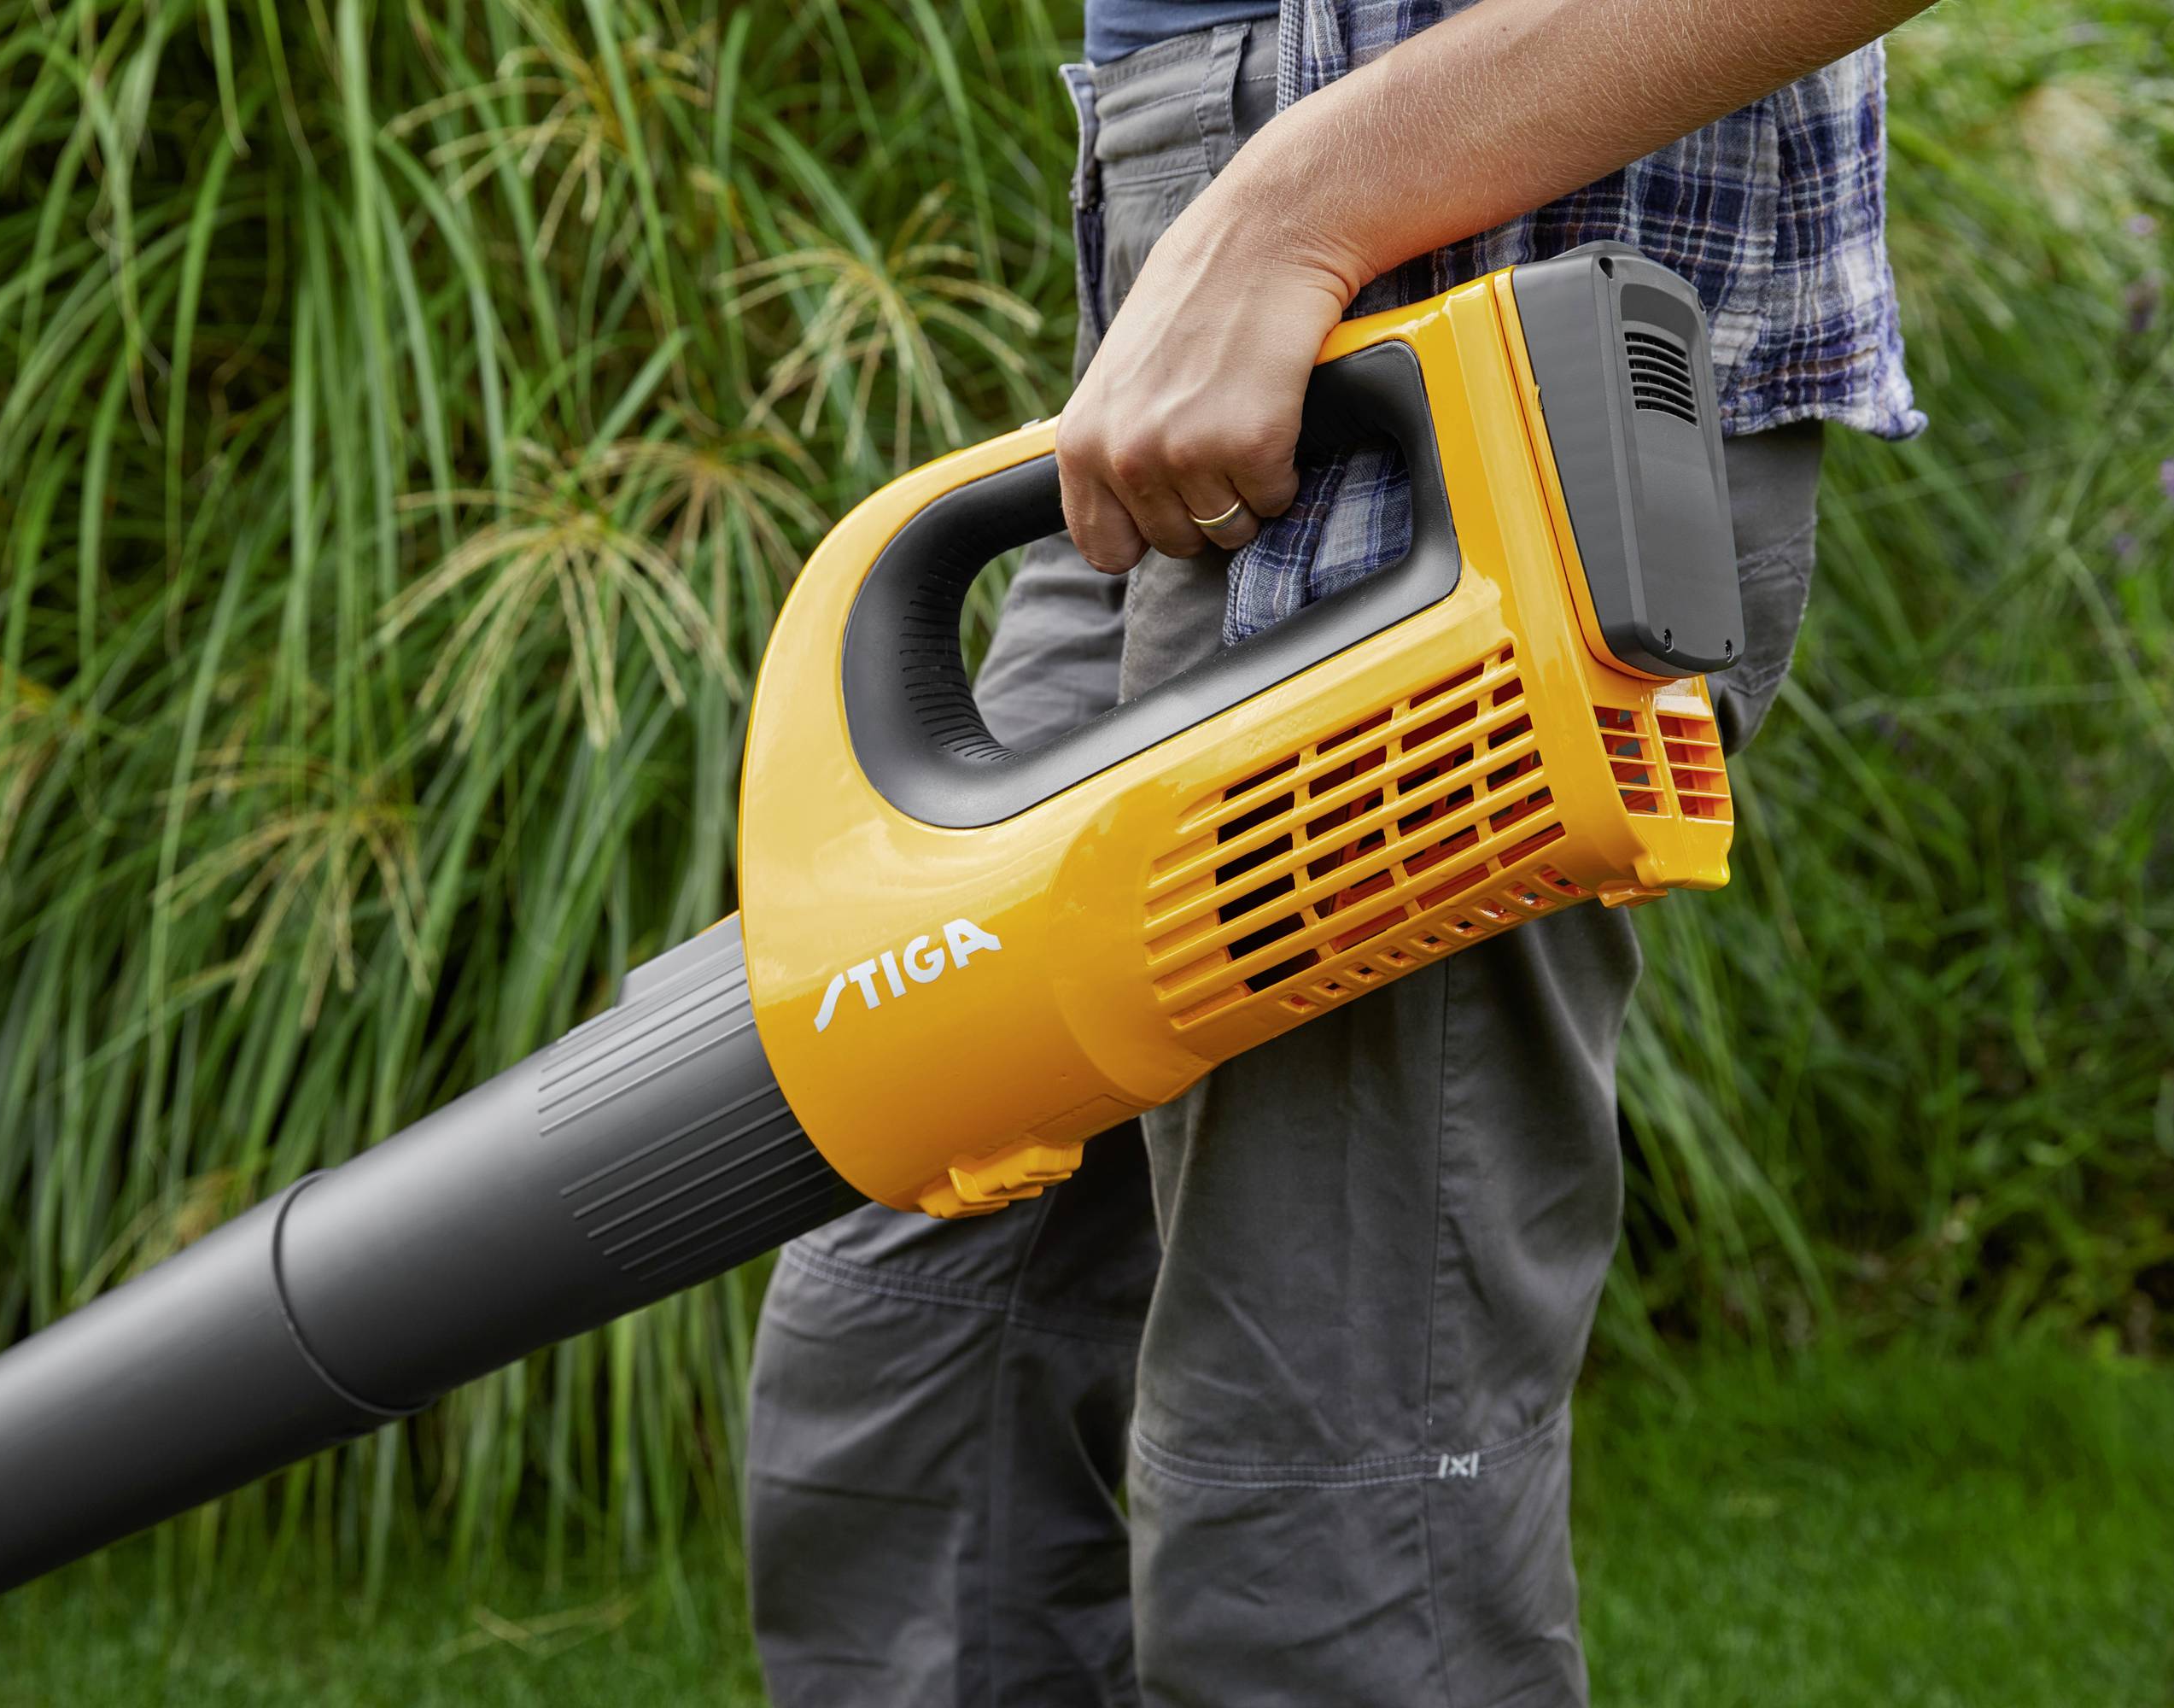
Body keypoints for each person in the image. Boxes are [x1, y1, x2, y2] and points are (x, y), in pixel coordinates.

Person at [745, 2, 1930, 1703]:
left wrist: (1300, 203)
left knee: (1319, 1535)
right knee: (913, 1384)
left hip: (1474, 349)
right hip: (1205, 370)